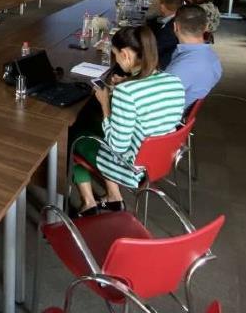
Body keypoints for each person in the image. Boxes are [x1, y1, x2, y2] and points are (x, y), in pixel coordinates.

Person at [70, 26, 185, 217]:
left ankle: (88, 203)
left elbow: (117, 146)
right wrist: (125, 84)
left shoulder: (127, 93)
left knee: (73, 136)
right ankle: (114, 197)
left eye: (115, 55)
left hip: (131, 167)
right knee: (92, 127)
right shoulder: (174, 81)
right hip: (160, 159)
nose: (115, 60)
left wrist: (105, 103)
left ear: (125, 54)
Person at [167, 5, 223, 109]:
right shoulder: (213, 59)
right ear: (206, 27)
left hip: (165, 114)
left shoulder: (183, 67)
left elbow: (157, 98)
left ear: (175, 27)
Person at [147, 0, 183, 69]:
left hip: (159, 66)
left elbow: (155, 50)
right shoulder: (178, 19)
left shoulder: (169, 29)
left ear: (162, 6)